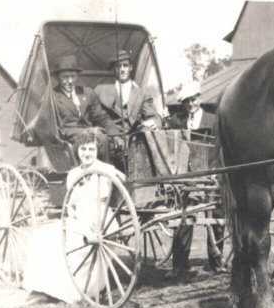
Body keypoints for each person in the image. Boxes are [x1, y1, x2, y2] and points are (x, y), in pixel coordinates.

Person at [23, 129, 124, 304]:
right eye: (83, 149)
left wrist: (115, 176)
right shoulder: (73, 174)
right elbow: (71, 203)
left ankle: (70, 288)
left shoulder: (106, 169)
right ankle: (44, 287)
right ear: (77, 151)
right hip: (78, 218)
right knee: (41, 236)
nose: (87, 154)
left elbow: (123, 181)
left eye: (91, 149)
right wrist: (73, 216)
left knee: (75, 241)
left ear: (97, 150)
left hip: (99, 218)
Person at [165, 81, 225, 278]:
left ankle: (217, 263)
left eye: (194, 99)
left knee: (217, 217)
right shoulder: (177, 121)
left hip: (211, 173)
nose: (191, 104)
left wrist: (216, 170)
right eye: (187, 102)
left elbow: (220, 147)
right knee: (184, 217)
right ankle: (180, 266)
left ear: (200, 98)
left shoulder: (213, 120)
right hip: (187, 176)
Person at [50, 55, 112, 161]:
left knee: (112, 140)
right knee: (100, 138)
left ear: (77, 76)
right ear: (57, 78)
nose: (70, 81)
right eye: (65, 77)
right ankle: (104, 171)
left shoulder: (87, 93)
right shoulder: (52, 97)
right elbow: (53, 128)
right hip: (68, 142)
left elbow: (101, 117)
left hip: (93, 136)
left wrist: (115, 133)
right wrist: (88, 132)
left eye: (72, 76)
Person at [94, 49, 162, 136]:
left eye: (125, 65)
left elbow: (153, 116)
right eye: (118, 66)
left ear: (131, 68)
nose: (122, 69)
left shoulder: (142, 94)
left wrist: (152, 122)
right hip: (110, 137)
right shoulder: (101, 90)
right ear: (114, 69)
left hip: (135, 137)